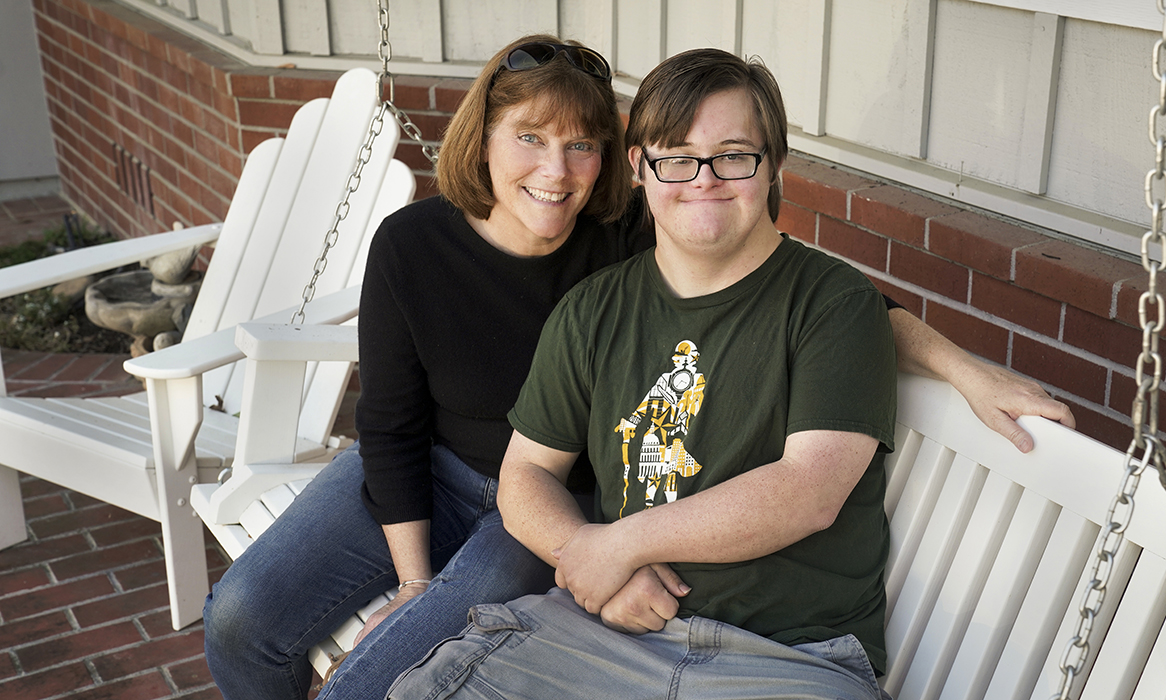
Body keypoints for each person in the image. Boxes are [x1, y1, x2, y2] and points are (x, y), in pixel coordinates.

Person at [202, 35, 1074, 700]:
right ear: (486, 138)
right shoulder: (446, 255)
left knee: (412, 659)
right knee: (254, 624)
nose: (556, 171)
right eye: (531, 139)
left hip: (669, 592)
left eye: (580, 146)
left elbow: (823, 343)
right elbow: (408, 433)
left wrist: (963, 366)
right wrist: (423, 583)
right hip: (466, 501)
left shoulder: (667, 243)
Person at [386, 46, 896, 700]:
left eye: (735, 154)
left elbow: (808, 492)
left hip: (786, 661)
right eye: (677, 157)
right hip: (602, 638)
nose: (704, 178)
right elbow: (525, 473)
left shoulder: (835, 305)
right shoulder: (594, 310)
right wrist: (592, 562)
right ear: (639, 169)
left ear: (773, 166)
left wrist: (618, 546)